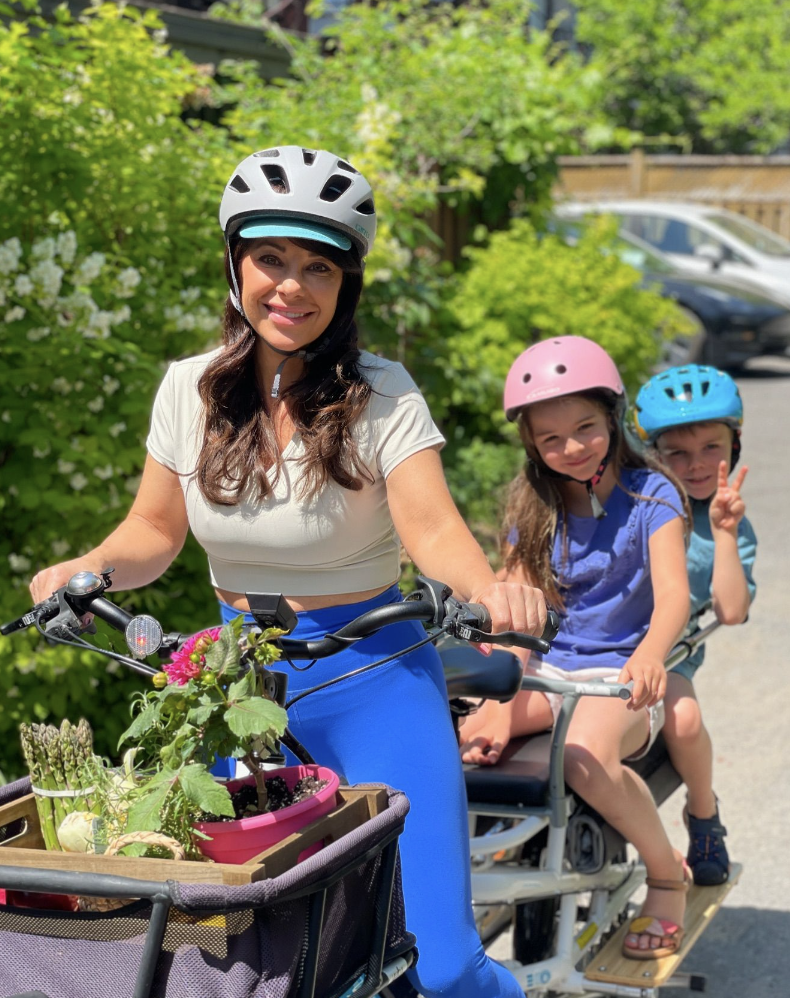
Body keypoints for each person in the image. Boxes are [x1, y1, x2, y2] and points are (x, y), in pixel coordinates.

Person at [29, 146, 547, 998]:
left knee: (441, 963)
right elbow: (152, 533)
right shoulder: (189, 390)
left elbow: (435, 533)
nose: (291, 287)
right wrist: (86, 570)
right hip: (227, 685)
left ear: (347, 286)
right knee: (242, 958)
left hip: (372, 674)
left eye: (319, 266)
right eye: (271, 258)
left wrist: (490, 590)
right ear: (235, 262)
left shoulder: (383, 395)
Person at [459, 335, 693, 960]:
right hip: (553, 670)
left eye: (585, 427)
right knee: (466, 734)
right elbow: (516, 602)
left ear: (612, 418)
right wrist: (501, 688)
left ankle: (667, 872)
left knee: (585, 756)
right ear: (532, 444)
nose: (570, 448)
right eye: (550, 439)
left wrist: (649, 655)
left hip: (620, 677)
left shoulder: (652, 497)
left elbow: (674, 595)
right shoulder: (533, 505)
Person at [634, 364, 756, 886]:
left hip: (670, 654)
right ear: (654, 454)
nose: (697, 465)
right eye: (677, 453)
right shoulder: (634, 502)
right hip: (598, 643)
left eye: (713, 448)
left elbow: (731, 611)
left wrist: (724, 533)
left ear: (735, 444)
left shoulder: (727, 518)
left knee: (682, 719)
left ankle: (704, 816)